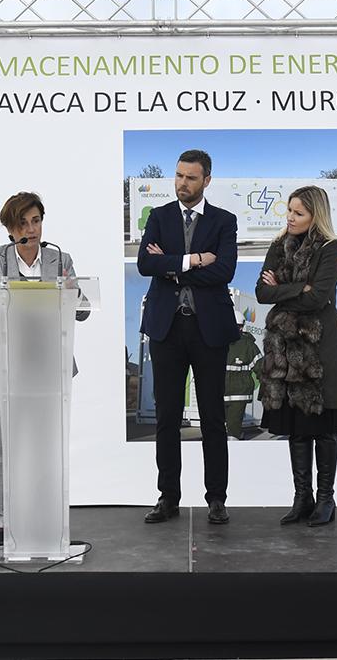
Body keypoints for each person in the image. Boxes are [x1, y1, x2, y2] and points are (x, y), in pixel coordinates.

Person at [0, 191, 89, 547]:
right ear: (10, 228)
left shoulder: (59, 259)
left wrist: (73, 294)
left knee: (47, 445)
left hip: (49, 366)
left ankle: (45, 514)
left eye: (36, 221)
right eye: (23, 223)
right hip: (5, 366)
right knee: (3, 445)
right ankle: (3, 517)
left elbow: (81, 311)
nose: (31, 229)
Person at [138, 149, 239, 525]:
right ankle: (168, 498)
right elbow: (146, 263)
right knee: (166, 416)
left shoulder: (224, 221)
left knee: (213, 417)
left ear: (206, 180)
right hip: (166, 328)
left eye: (191, 177)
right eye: (178, 176)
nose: (182, 183)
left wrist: (173, 266)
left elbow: (225, 271)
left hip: (208, 329)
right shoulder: (159, 216)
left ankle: (216, 499)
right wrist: (194, 260)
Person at [256, 185, 337, 527]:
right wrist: (299, 288)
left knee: (322, 427)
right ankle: (302, 498)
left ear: (315, 216)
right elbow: (262, 292)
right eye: (289, 211)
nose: (290, 218)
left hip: (321, 344)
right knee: (296, 427)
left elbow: (318, 298)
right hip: (284, 345)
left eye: (298, 213)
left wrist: (285, 290)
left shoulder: (331, 248)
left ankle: (326, 499)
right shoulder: (279, 244)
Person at [223, 310, 262, 440]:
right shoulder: (217, 342)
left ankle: (234, 448)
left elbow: (261, 367)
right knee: (217, 428)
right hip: (218, 393)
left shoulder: (248, 345)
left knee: (233, 429)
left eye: (238, 326)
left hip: (238, 395)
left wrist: (269, 388)